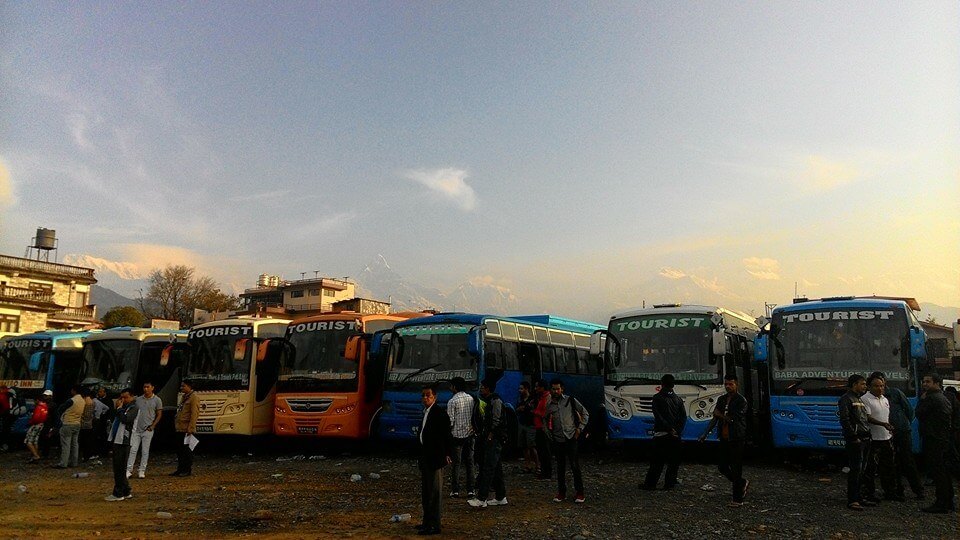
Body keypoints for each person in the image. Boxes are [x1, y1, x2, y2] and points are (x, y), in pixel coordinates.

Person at [699, 373, 749, 506]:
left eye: (730, 384)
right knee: (722, 466)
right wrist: (705, 433)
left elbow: (734, 419)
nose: (728, 386)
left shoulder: (741, 401)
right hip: (724, 437)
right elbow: (715, 418)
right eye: (726, 384)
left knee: (736, 467)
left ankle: (737, 499)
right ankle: (741, 483)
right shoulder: (721, 399)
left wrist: (720, 415)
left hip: (736, 438)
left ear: (736, 384)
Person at [875, 371, 924, 500]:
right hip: (886, 434)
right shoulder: (872, 397)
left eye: (881, 382)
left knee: (907, 461)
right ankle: (896, 491)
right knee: (890, 463)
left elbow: (909, 411)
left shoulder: (895, 393)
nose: (879, 386)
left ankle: (919, 491)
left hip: (902, 432)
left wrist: (902, 424)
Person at [545, 378, 589, 503]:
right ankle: (561, 492)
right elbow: (544, 419)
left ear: (562, 389)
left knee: (575, 466)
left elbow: (585, 413)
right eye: (553, 389)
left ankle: (580, 493)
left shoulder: (570, 401)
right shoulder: (550, 405)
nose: (555, 391)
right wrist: (548, 433)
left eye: (558, 389)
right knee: (560, 467)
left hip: (571, 438)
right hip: (558, 440)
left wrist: (579, 429)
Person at [915, 373, 954, 513]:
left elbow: (918, 413)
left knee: (938, 472)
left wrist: (921, 400)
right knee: (944, 472)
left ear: (937, 383)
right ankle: (948, 501)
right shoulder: (943, 397)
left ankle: (941, 503)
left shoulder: (931, 398)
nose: (924, 384)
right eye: (923, 381)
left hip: (934, 439)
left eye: (928, 381)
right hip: (942, 439)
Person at [416, 384, 452, 536]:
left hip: (435, 459)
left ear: (434, 397)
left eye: (428, 395)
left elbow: (447, 436)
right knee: (426, 493)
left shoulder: (439, 413)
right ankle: (426, 521)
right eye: (423, 395)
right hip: (426, 457)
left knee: (434, 494)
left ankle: (434, 525)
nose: (425, 398)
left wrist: (448, 454)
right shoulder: (426, 412)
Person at [468, 379, 508, 508]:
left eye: (483, 387)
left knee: (488, 468)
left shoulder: (495, 401)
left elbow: (496, 420)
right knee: (496, 469)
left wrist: (491, 434)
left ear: (488, 389)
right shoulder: (489, 400)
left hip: (494, 439)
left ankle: (482, 498)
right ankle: (501, 496)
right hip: (491, 438)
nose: (480, 389)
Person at [642, 374, 686, 491]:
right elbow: (683, 417)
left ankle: (650, 484)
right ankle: (669, 484)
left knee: (657, 462)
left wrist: (668, 428)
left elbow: (658, 416)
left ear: (662, 384)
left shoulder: (657, 398)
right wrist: (677, 430)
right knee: (673, 462)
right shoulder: (678, 399)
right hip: (675, 436)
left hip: (661, 434)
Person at [861, 374, 897, 502]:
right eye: (876, 386)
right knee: (870, 468)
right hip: (873, 439)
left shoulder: (885, 399)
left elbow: (886, 416)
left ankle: (890, 492)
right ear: (869, 386)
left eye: (881, 386)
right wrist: (883, 424)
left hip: (886, 438)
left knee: (888, 467)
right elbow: (867, 417)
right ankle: (869, 493)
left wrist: (889, 428)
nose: (879, 388)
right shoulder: (865, 399)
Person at [838, 374, 872, 510]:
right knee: (855, 470)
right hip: (856, 440)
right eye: (862, 384)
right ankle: (853, 499)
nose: (865, 387)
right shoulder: (846, 399)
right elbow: (845, 420)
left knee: (863, 470)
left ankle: (860, 497)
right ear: (854, 385)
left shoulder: (859, 399)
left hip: (865, 438)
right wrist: (853, 436)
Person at [105, 388, 139, 501]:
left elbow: (126, 419)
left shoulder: (134, 408)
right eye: (122, 397)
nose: (123, 400)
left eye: (126, 397)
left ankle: (118, 493)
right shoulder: (125, 407)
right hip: (118, 439)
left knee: (119, 467)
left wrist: (119, 409)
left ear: (132, 396)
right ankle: (125, 490)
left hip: (125, 441)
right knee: (119, 467)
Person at [445, 377, 475, 498]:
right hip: (470, 434)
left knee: (456, 463)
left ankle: (455, 490)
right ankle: (471, 490)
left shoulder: (452, 401)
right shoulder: (471, 398)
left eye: (451, 386)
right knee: (470, 463)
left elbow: (450, 421)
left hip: (457, 436)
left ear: (455, 387)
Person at [127, 381, 163, 479]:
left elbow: (159, 414)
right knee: (133, 450)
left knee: (145, 451)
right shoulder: (138, 399)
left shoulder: (157, 400)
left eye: (148, 387)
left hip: (148, 429)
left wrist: (153, 426)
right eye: (144, 387)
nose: (146, 389)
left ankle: (142, 470)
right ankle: (129, 470)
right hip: (137, 429)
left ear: (152, 388)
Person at [171, 380, 199, 477]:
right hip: (179, 427)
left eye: (184, 386)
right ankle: (180, 469)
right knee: (179, 450)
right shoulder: (184, 397)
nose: (181, 388)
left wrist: (191, 428)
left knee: (186, 451)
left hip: (186, 429)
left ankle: (187, 469)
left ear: (189, 387)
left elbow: (194, 413)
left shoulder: (194, 397)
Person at [53, 385, 84, 469]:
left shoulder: (72, 400)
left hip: (68, 423)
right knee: (75, 444)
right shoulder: (82, 400)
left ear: (74, 391)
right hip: (77, 423)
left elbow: (61, 408)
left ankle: (63, 463)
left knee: (66, 444)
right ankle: (74, 462)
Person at [516, 381, 539, 474]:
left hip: (530, 425)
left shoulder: (533, 399)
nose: (520, 390)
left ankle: (538, 465)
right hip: (522, 424)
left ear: (526, 389)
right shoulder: (520, 399)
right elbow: (517, 409)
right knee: (524, 447)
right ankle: (528, 465)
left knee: (532, 446)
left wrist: (525, 409)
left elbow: (534, 411)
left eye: (521, 388)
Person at [533, 379, 553, 480]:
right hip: (539, 426)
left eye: (537, 387)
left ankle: (547, 473)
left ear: (542, 388)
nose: (535, 389)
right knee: (541, 451)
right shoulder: (541, 397)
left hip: (544, 427)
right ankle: (544, 472)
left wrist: (535, 412)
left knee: (545, 451)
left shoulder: (548, 397)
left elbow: (546, 413)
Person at [25, 390, 52, 463]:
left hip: (35, 425)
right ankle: (35, 455)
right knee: (35, 441)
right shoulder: (45, 406)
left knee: (28, 441)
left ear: (37, 400)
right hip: (41, 424)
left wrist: (30, 422)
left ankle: (36, 456)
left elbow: (35, 418)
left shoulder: (38, 407)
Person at [95, 386, 115, 457]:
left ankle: (105, 451)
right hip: (98, 420)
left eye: (101, 392)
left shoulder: (109, 400)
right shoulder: (97, 399)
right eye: (99, 392)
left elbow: (111, 411)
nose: (99, 393)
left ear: (104, 392)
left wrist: (109, 419)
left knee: (105, 436)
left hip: (105, 420)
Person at [78, 387, 95, 461]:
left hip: (83, 424)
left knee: (82, 441)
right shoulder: (92, 401)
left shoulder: (84, 401)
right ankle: (86, 456)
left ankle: (83, 456)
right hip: (89, 424)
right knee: (88, 442)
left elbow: (83, 414)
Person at [0, 384, 15, 451]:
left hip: (4, 415)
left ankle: (4, 446)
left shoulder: (2, 396)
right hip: (9, 415)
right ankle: (8, 446)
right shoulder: (9, 395)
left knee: (4, 431)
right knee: (7, 431)